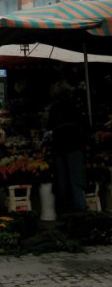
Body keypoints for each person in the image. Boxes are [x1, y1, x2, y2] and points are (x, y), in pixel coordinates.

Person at [47, 82, 88, 214]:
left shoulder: (54, 108)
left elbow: (50, 126)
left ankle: (64, 212)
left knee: (62, 179)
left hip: (59, 145)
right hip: (74, 144)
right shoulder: (74, 105)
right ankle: (80, 210)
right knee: (75, 178)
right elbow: (84, 123)